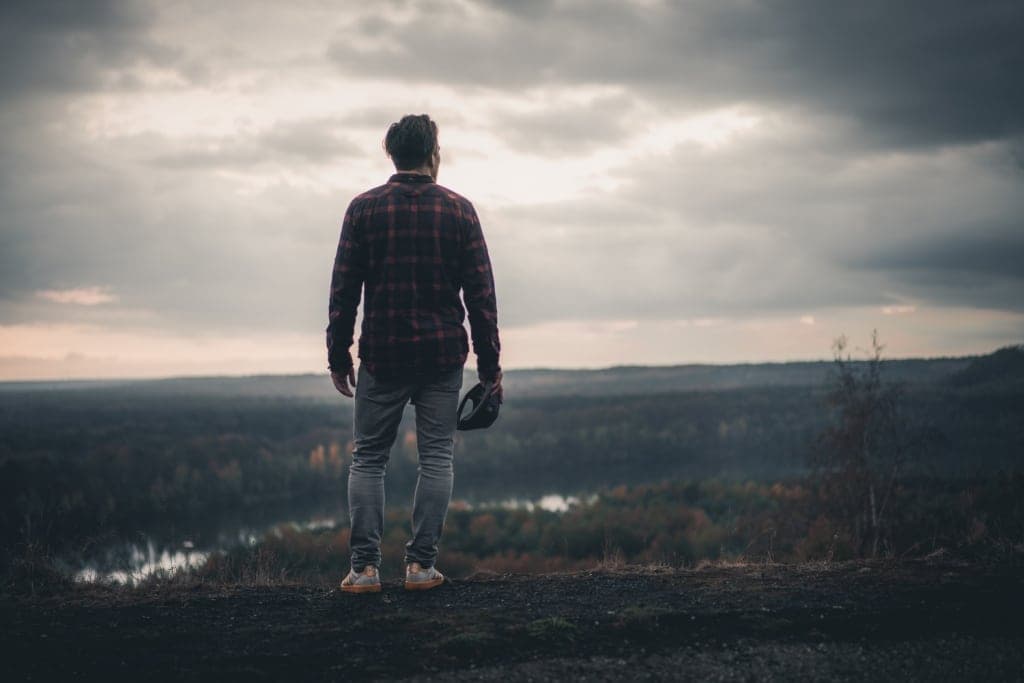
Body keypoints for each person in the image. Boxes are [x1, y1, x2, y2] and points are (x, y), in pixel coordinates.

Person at [326, 114, 502, 593]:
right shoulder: (460, 211)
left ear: (393, 155)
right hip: (442, 357)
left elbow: (344, 291)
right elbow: (481, 298)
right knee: (437, 460)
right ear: (433, 154)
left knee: (367, 460)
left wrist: (338, 356)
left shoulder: (363, 210)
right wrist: (490, 369)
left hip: (381, 355)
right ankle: (421, 568)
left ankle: (364, 570)